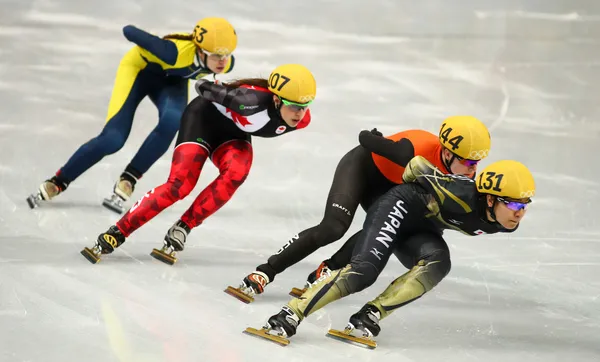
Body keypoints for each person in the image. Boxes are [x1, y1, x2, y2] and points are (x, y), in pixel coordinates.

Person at [245, 155, 536, 347]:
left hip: (421, 229)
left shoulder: (505, 222)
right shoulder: (460, 191)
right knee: (364, 272)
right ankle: (289, 315)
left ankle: (369, 315)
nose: (519, 213)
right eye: (512, 204)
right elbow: (416, 168)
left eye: (524, 206)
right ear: (488, 199)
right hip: (397, 208)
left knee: (439, 263)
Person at [226, 115, 491, 303]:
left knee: (385, 228)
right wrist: (375, 137)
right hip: (362, 168)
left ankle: (327, 270)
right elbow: (365, 139)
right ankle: (265, 271)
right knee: (333, 227)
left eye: (478, 162)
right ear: (447, 152)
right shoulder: (416, 152)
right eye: (468, 162)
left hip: (390, 187)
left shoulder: (458, 173)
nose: (473, 169)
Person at [80, 63, 318, 264]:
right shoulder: (249, 101)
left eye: (305, 107)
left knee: (237, 172)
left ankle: (183, 226)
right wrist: (217, 85)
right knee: (180, 186)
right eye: (295, 106)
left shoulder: (301, 119)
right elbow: (201, 86)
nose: (300, 114)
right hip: (202, 120)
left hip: (232, 134)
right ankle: (118, 231)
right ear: (276, 100)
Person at [27, 17, 238, 213]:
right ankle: (59, 180)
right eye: (216, 56)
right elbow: (129, 31)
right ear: (200, 51)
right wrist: (155, 43)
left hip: (171, 81)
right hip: (139, 71)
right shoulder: (172, 52)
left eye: (226, 55)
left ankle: (129, 177)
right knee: (113, 139)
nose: (222, 61)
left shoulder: (225, 63)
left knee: (174, 120)